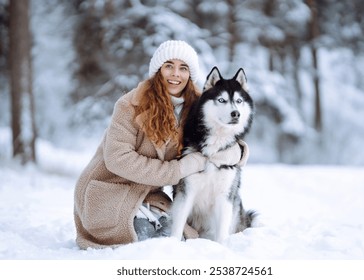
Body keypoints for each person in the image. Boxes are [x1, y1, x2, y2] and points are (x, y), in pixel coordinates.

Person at [73, 40, 249, 249]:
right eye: (169, 66)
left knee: (178, 240)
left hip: (148, 196)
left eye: (183, 68)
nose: (176, 74)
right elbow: (118, 159)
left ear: (190, 75)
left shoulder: (196, 107)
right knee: (151, 245)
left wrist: (237, 153)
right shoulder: (129, 105)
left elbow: (223, 130)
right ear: (158, 71)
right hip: (110, 191)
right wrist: (179, 169)